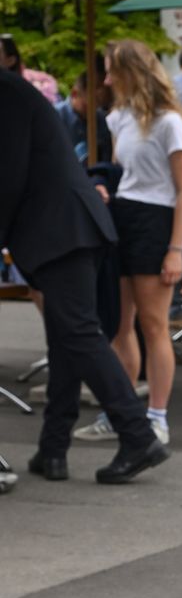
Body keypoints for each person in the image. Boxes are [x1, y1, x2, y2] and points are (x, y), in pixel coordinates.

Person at [0, 69, 168, 484]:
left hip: (60, 230)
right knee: (65, 338)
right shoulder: (13, 91)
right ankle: (53, 448)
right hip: (65, 228)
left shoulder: (5, 93)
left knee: (76, 333)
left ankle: (137, 433)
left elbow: (7, 175)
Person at [74, 39, 182, 448]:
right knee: (118, 323)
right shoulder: (118, 118)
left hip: (155, 221)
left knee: (153, 324)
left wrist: (176, 249)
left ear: (130, 72)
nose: (106, 79)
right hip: (123, 216)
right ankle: (121, 410)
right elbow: (119, 173)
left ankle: (157, 415)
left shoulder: (170, 123)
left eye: (111, 70)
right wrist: (104, 187)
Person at [56, 73, 113, 164]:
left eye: (97, 105)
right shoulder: (56, 116)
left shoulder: (101, 119)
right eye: (87, 105)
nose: (93, 110)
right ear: (74, 94)